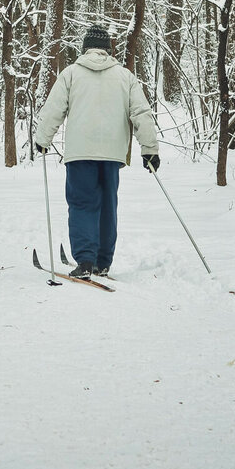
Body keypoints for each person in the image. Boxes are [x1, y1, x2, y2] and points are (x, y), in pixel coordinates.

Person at [34, 25, 160, 279]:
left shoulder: (71, 74)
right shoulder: (125, 77)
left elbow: (53, 109)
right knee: (107, 205)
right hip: (112, 155)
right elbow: (141, 113)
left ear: (85, 48)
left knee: (82, 204)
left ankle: (85, 260)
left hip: (80, 153)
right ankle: (102, 262)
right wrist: (149, 149)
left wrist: (42, 139)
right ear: (108, 51)